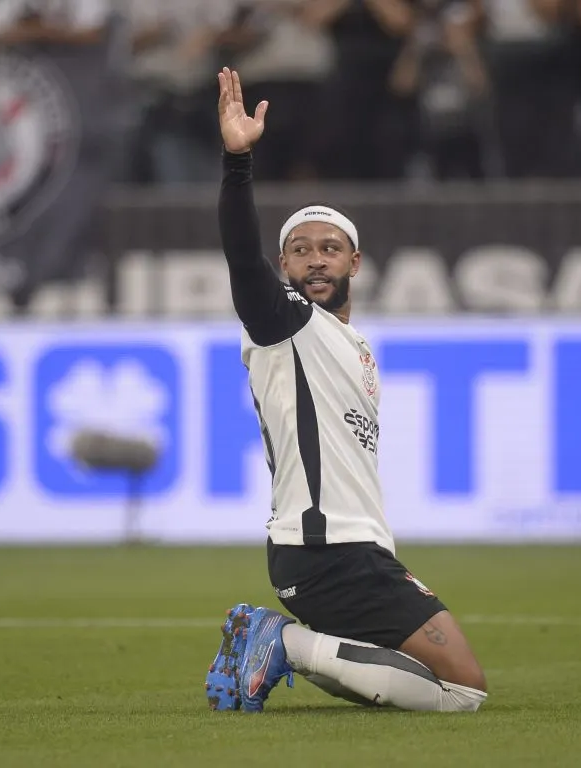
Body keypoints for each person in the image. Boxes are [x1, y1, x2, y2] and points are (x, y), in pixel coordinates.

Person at [203, 67, 488, 715]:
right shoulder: (285, 325)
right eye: (299, 250)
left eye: (330, 248)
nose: (315, 259)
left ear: (355, 262)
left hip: (356, 548)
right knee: (463, 689)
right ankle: (283, 643)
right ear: (285, 269)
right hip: (324, 551)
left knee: (407, 671)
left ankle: (294, 644)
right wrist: (238, 161)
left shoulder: (354, 347)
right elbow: (243, 262)